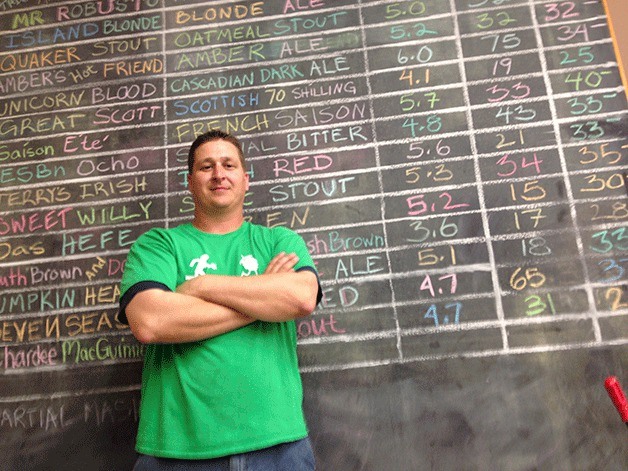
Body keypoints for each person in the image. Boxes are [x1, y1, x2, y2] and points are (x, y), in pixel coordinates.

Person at [118, 129, 322, 470]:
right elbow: (151, 322)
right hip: (177, 452)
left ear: (245, 179)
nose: (218, 174)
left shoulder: (278, 240)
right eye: (206, 166)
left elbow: (301, 298)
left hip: (277, 446)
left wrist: (201, 286)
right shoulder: (158, 246)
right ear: (189, 181)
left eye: (228, 164)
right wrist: (263, 297)